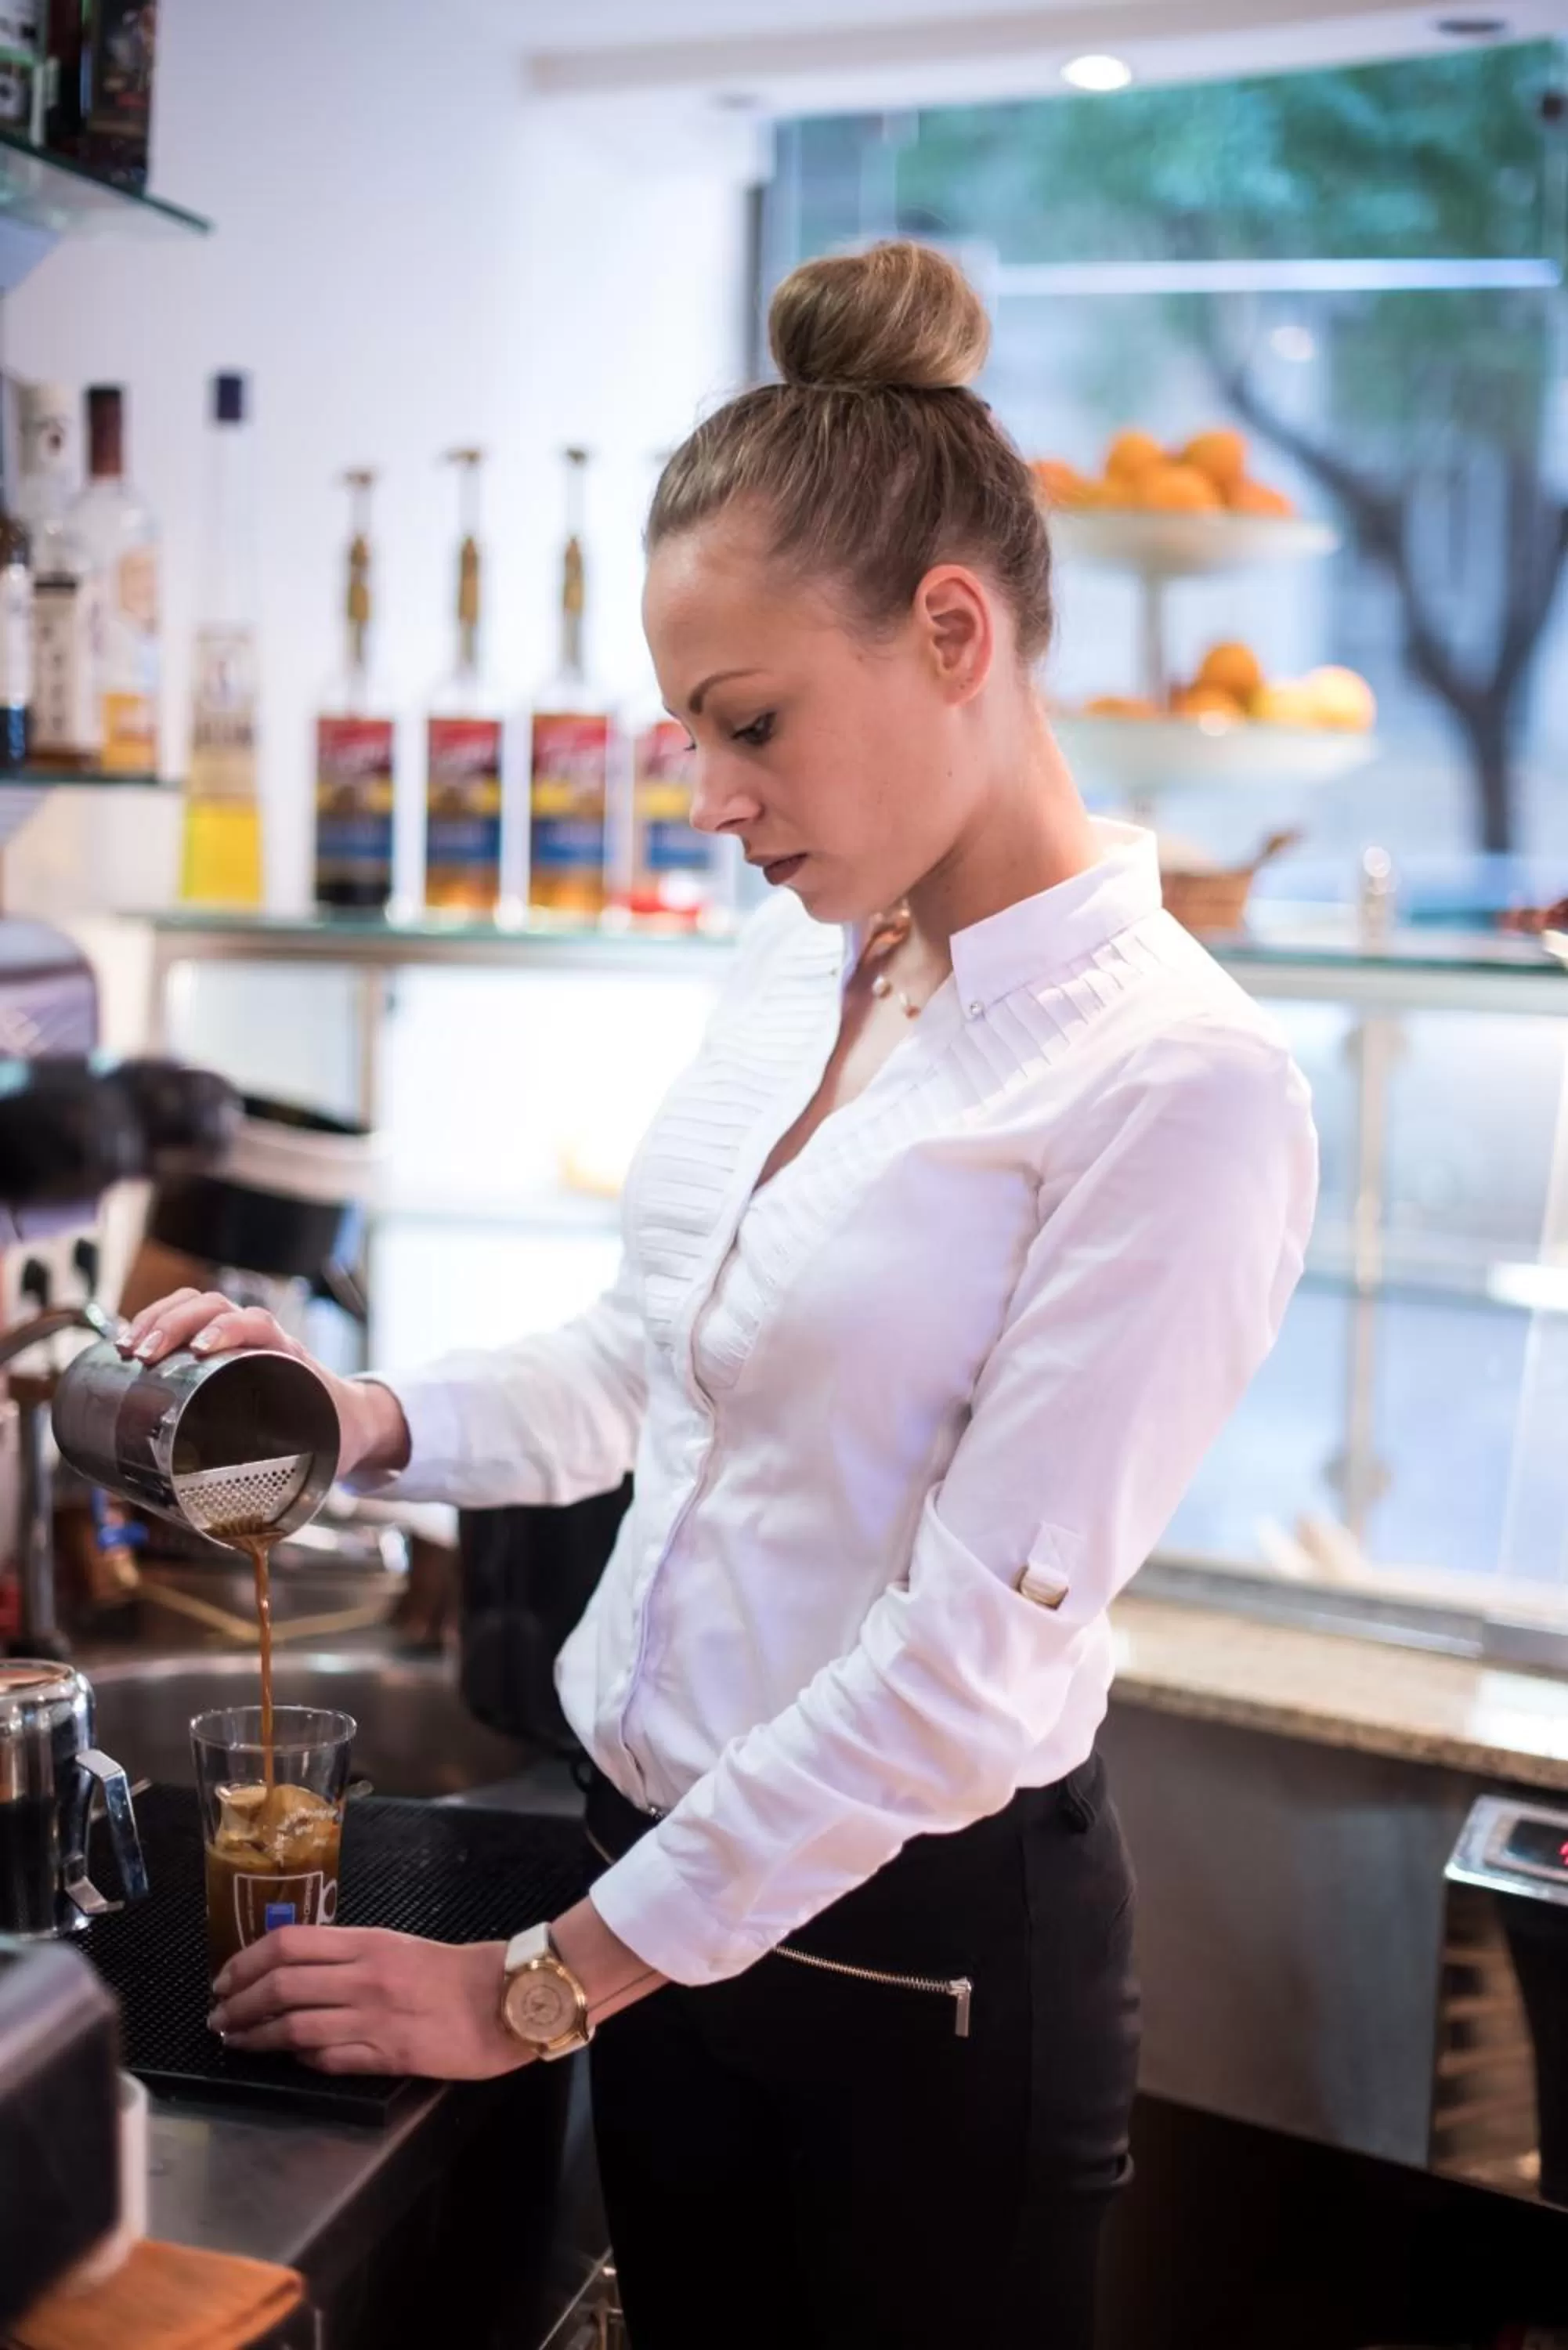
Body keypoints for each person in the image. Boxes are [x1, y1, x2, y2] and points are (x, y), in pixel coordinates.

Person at [125, 241, 1318, 2348]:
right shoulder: (814, 957)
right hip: (658, 1899)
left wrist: (537, 1984)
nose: (711, 797)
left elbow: (957, 1672)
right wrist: (356, 1420)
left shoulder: (1176, 1083)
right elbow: (650, 1358)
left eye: (749, 726)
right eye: (690, 731)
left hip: (906, 1975)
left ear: (956, 631)